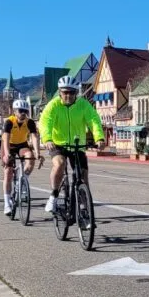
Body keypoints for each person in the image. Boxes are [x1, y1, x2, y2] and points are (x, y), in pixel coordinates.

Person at [38, 76, 106, 213]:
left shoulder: (83, 104)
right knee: (60, 164)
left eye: (72, 92)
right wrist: (47, 139)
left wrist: (99, 138)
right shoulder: (53, 105)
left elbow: (93, 121)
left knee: (83, 177)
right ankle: (54, 195)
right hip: (58, 144)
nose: (68, 95)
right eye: (65, 92)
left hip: (77, 145)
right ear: (60, 92)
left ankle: (84, 209)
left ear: (77, 92)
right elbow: (45, 123)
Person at [2, 99, 43, 215]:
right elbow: (5, 138)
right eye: (21, 111)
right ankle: (6, 204)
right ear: (15, 111)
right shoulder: (9, 122)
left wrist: (37, 152)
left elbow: (34, 137)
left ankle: (22, 180)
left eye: (26, 111)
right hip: (9, 145)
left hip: (22, 145)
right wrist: (7, 154)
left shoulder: (29, 122)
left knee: (30, 157)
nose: (23, 113)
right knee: (8, 172)